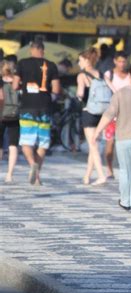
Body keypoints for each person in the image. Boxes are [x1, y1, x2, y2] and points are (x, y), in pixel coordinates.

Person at [94, 63, 131, 212]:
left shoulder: (120, 93)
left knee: (125, 171)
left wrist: (97, 131)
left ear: (129, 75)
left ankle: (125, 200)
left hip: (123, 138)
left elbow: (110, 114)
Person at [13, 40, 60, 185]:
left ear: (31, 50)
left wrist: (22, 86)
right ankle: (37, 176)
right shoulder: (51, 65)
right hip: (45, 107)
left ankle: (32, 163)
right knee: (43, 143)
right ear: (43, 51)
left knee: (27, 141)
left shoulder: (22, 63)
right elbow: (56, 90)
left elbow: (15, 85)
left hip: (27, 106)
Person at [76, 48, 108, 186]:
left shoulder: (81, 75)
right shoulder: (101, 74)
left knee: (92, 145)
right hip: (101, 113)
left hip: (88, 112)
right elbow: (112, 89)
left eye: (80, 60)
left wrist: (77, 96)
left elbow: (81, 94)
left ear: (87, 60)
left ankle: (101, 175)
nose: (79, 63)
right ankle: (87, 176)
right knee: (94, 144)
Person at [103, 51, 131, 180]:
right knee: (110, 144)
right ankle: (109, 169)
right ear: (115, 61)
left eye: (124, 61)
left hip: (128, 114)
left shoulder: (130, 76)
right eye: (119, 61)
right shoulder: (109, 74)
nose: (122, 64)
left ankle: (126, 169)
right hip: (112, 114)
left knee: (128, 143)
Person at [0, 59, 20, 182]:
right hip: (16, 115)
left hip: (1, 114)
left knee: (0, 144)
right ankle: (9, 174)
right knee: (13, 145)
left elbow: (1, 98)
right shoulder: (17, 81)